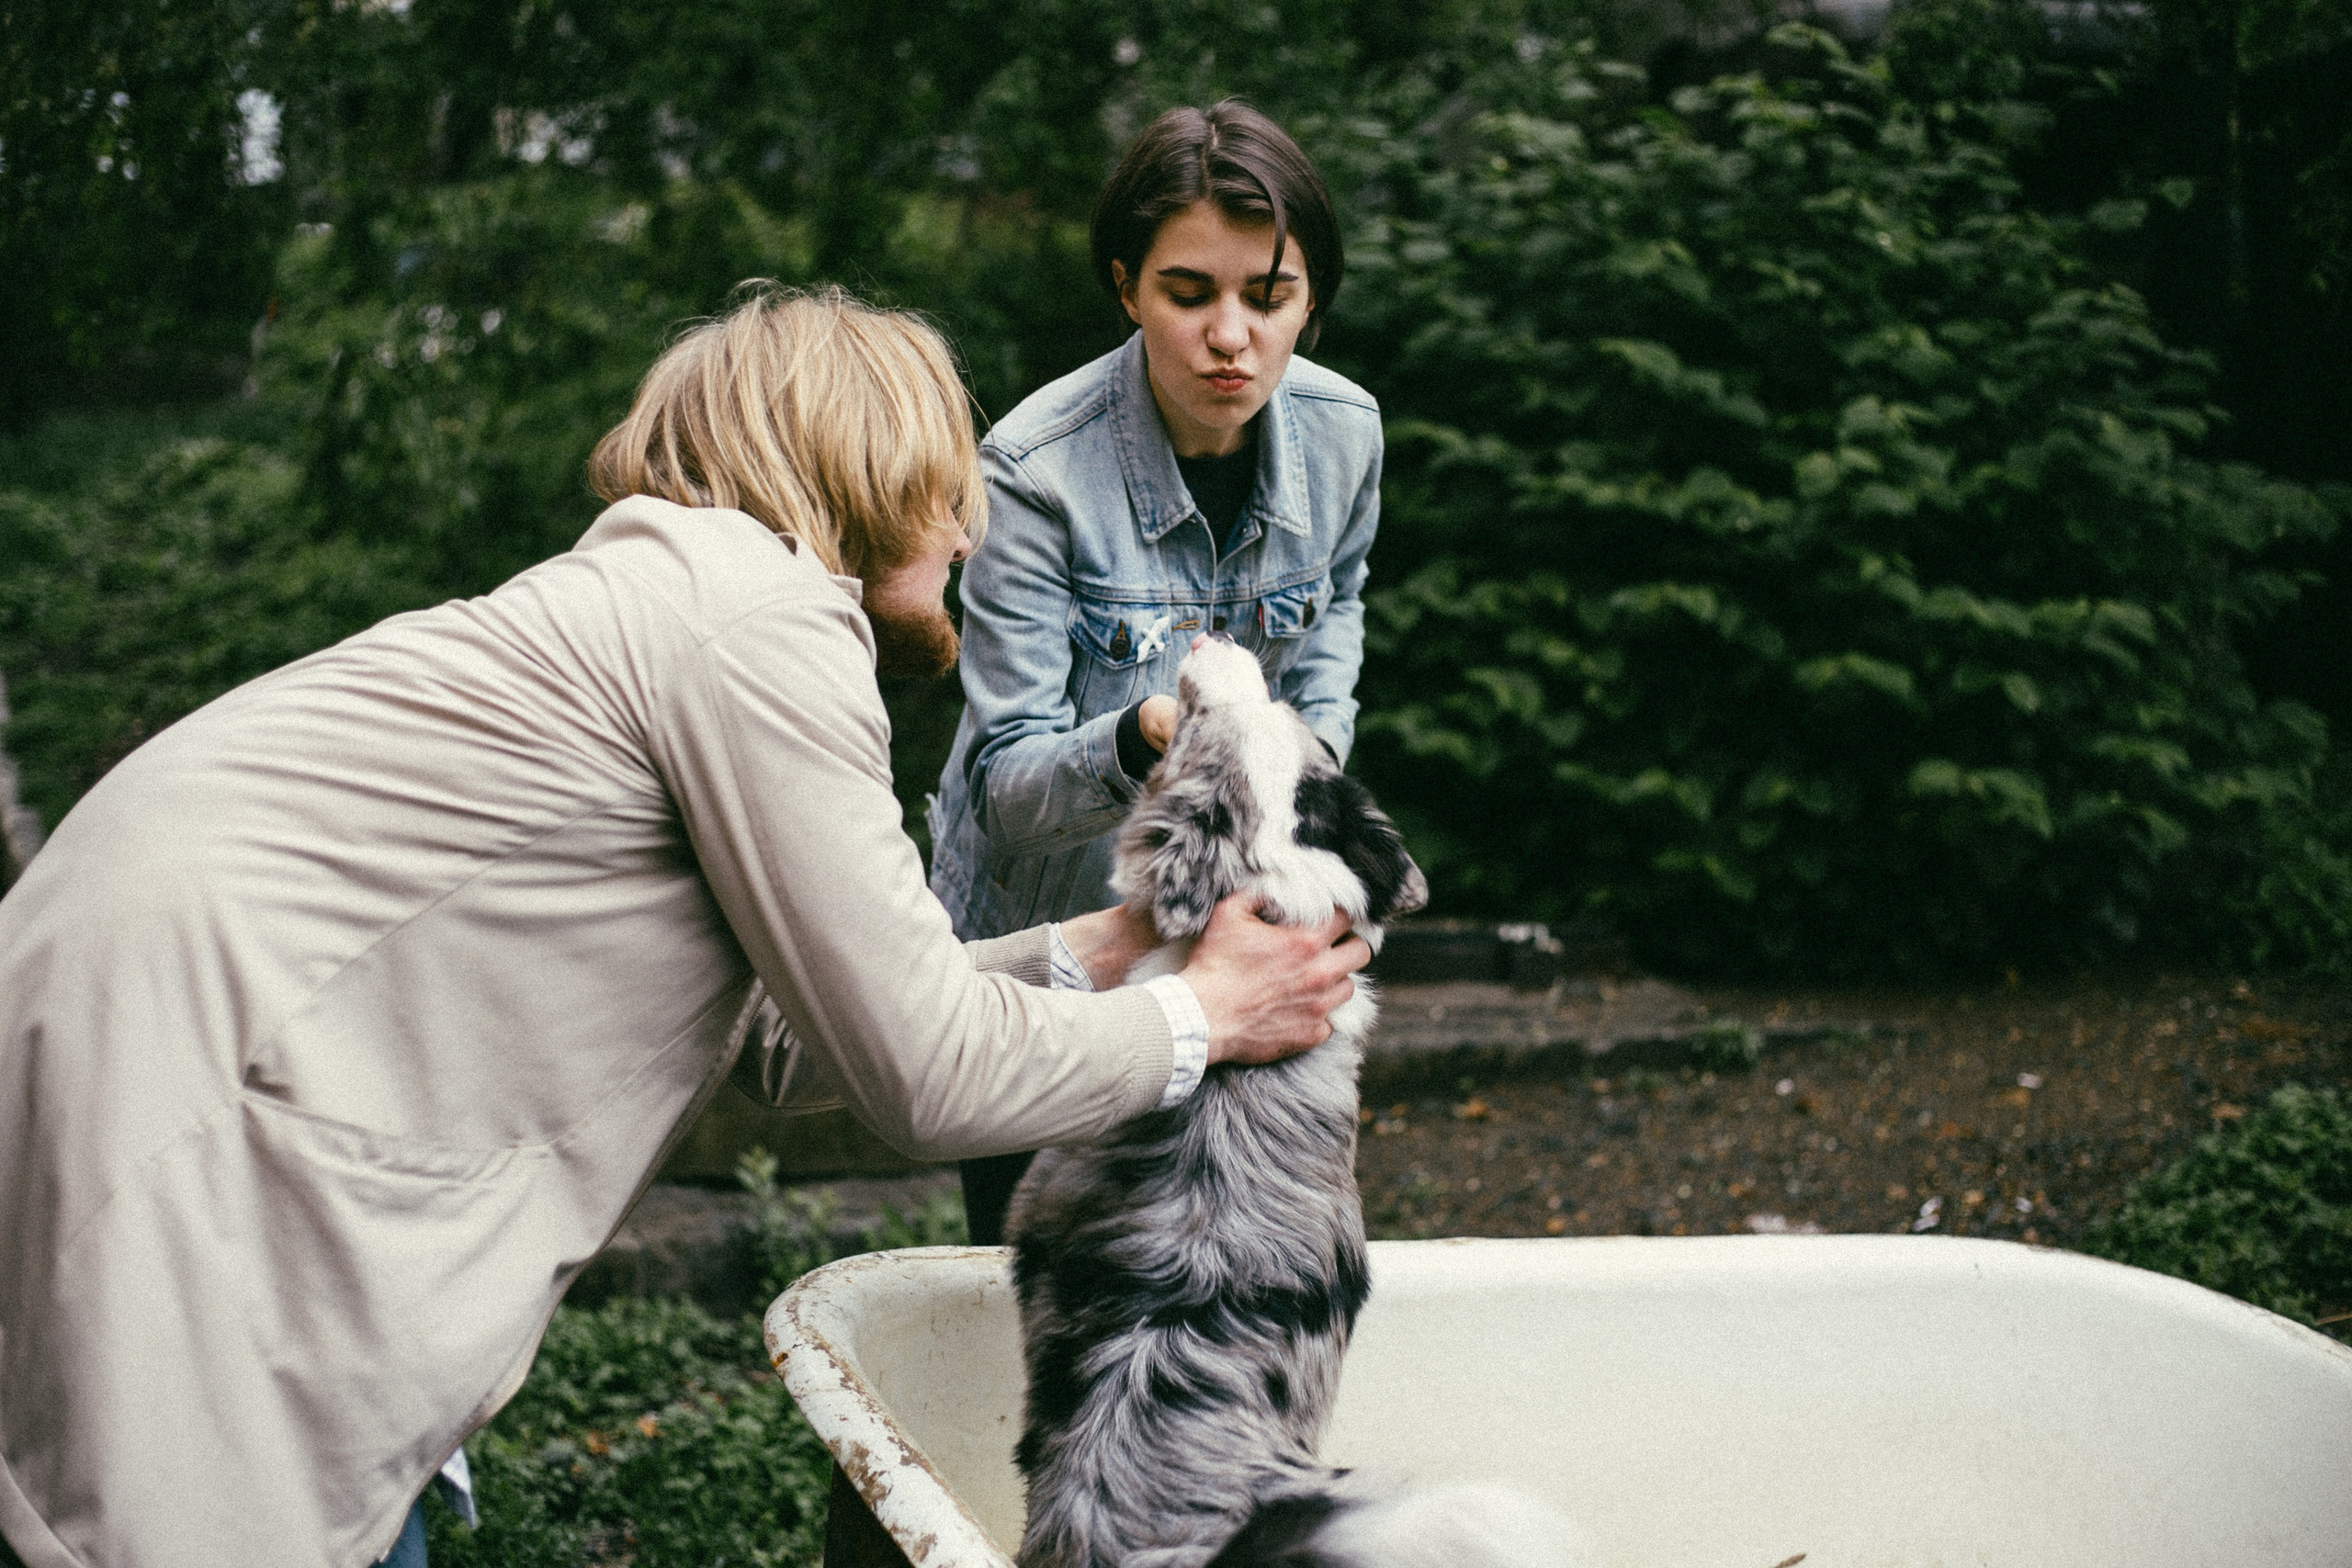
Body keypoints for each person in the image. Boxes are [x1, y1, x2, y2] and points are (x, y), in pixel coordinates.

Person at [0, 285, 1369, 1568]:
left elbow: (784, 1042)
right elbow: (926, 1070)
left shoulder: (677, 607)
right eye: (952, 493)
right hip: (188, 1124)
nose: (971, 536)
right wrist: (1209, 1014)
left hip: (126, 1050)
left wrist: (1106, 949)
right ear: (873, 463)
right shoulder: (762, 623)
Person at [925, 101, 1384, 1242]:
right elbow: (1003, 789)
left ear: (1309, 299)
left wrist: (1304, 792)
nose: (1231, 334)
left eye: (1267, 298)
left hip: (1229, 927)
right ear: (1128, 287)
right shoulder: (1030, 475)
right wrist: (1145, 738)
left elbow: (1334, 623)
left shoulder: (1347, 435)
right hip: (1050, 956)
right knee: (1034, 1298)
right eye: (1191, 294)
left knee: (1224, 1272)